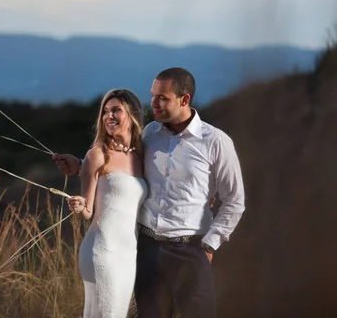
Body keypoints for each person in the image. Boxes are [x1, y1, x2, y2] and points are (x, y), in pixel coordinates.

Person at [54, 68, 245, 318]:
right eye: (153, 95)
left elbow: (234, 201)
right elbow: (123, 172)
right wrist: (81, 166)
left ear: (184, 99)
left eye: (162, 98)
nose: (153, 103)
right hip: (146, 249)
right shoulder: (149, 134)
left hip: (191, 250)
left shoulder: (216, 142)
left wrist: (209, 245)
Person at [65, 88, 148, 318]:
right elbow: (87, 210)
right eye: (105, 111)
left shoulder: (142, 157)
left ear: (132, 115)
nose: (108, 116)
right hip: (102, 250)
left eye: (116, 110)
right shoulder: (98, 154)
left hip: (128, 255)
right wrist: (80, 205)